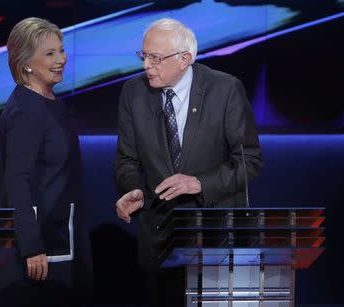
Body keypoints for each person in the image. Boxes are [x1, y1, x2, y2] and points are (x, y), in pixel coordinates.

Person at [114, 18, 263, 307]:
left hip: (215, 233)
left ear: (185, 59)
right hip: (161, 235)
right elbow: (126, 159)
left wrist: (199, 183)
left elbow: (251, 161)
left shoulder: (225, 89)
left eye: (155, 58)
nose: (146, 65)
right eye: (143, 56)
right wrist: (131, 189)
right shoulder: (133, 92)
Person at [0, 17, 92, 307]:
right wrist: (31, 246)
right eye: (49, 53)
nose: (61, 59)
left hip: (62, 236)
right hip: (41, 251)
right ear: (25, 63)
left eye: (61, 50)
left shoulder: (49, 101)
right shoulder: (25, 110)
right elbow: (16, 183)